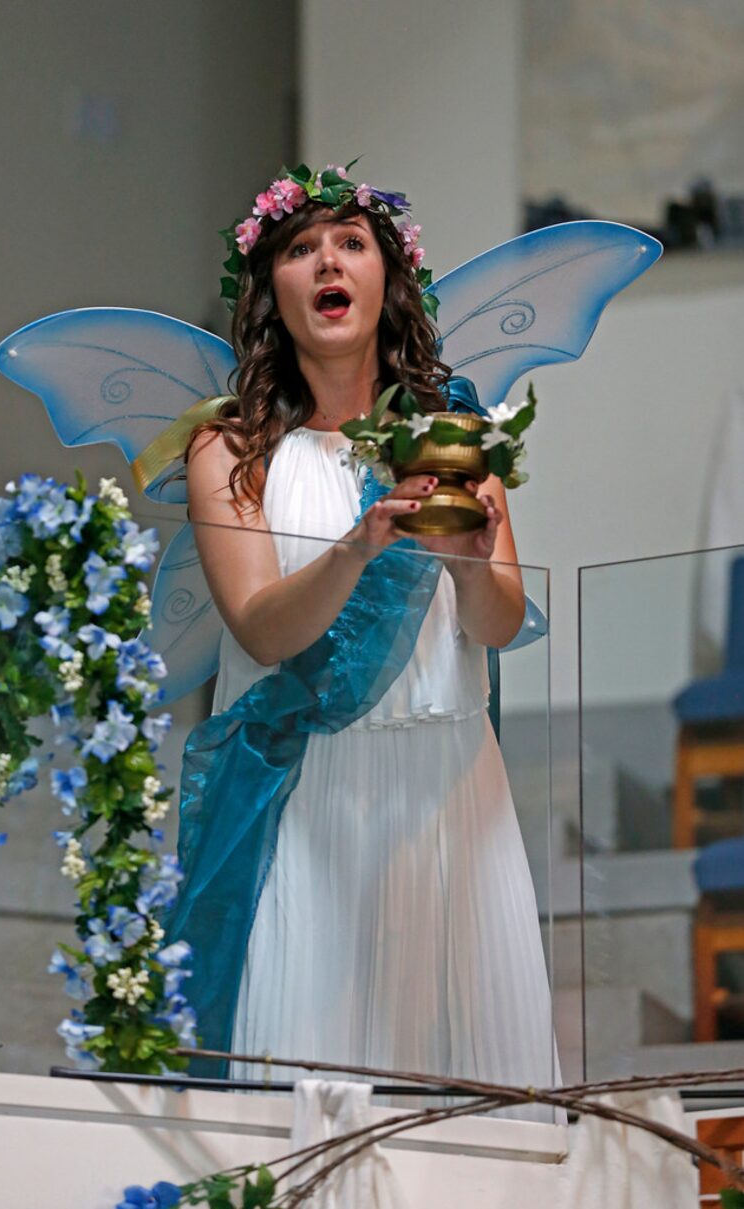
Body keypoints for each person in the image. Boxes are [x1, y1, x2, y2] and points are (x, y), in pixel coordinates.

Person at [169, 164, 557, 1109]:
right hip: (313, 801)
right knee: (311, 1083)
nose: (327, 262)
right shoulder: (230, 449)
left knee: (469, 1096)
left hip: (449, 791)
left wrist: (472, 547)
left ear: (391, 279)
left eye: (351, 242)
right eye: (300, 248)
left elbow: (496, 621)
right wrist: (359, 543)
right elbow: (263, 630)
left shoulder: (456, 429)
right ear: (272, 291)